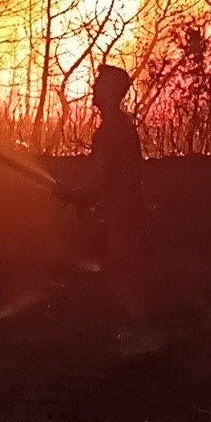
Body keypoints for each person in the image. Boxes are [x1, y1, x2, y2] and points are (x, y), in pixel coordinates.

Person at [64, 64, 162, 354]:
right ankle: (138, 330)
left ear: (109, 91)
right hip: (127, 212)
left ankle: (142, 334)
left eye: (99, 84)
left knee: (122, 273)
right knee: (125, 271)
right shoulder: (120, 128)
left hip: (124, 214)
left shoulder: (110, 132)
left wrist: (77, 193)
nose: (93, 88)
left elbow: (101, 175)